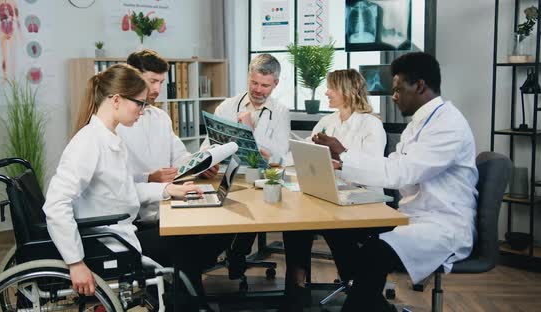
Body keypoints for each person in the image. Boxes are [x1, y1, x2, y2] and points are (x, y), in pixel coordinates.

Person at [313, 52, 478, 312]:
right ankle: (376, 306)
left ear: (420, 86)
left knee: (373, 255)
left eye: (399, 89)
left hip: (442, 224)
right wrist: (344, 161)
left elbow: (403, 172)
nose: (394, 96)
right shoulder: (418, 125)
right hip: (411, 216)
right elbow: (392, 164)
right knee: (339, 231)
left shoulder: (449, 125)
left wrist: (345, 156)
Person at [43, 64, 214, 310]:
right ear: (116, 100)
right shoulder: (88, 142)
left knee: (182, 242)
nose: (143, 111)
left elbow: (124, 192)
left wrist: (168, 190)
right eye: (140, 103)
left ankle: (189, 304)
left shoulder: (110, 138)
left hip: (119, 232)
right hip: (105, 242)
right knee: (182, 247)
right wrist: (75, 263)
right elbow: (56, 204)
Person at [281, 69, 386, 309]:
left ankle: (359, 285)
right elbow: (304, 151)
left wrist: (339, 159)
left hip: (363, 200)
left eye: (331, 88)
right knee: (294, 224)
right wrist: (280, 159)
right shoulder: (328, 121)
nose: (326, 92)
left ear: (347, 91)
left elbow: (372, 169)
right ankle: (296, 292)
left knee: (330, 226)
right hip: (331, 195)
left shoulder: (371, 125)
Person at [201, 53, 292, 279]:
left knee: (255, 209)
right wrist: (207, 159)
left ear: (275, 84)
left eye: (265, 85)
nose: (258, 90)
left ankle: (237, 253)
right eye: (254, 83)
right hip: (227, 175)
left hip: (259, 178)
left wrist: (247, 132)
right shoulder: (227, 106)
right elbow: (207, 145)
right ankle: (215, 254)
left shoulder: (280, 112)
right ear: (248, 78)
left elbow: (278, 154)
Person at [118, 49, 218, 225]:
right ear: (132, 80)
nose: (157, 89)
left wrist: (201, 166)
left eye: (161, 82)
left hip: (167, 201)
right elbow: (114, 184)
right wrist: (149, 177)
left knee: (218, 219)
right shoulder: (117, 123)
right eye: (152, 81)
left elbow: (180, 158)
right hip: (139, 214)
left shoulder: (161, 117)